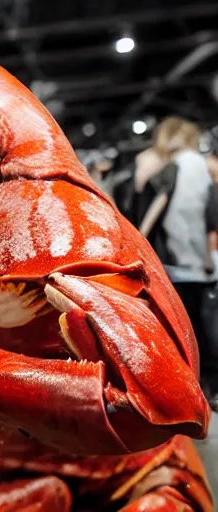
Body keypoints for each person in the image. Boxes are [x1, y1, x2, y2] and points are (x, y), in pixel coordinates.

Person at [134, 117, 218, 409]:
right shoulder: (202, 167)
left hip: (177, 263)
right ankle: (209, 386)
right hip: (201, 264)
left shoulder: (173, 167)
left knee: (185, 326)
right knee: (206, 323)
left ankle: (193, 387)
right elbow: (210, 214)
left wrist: (139, 237)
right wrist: (208, 257)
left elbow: (159, 200)